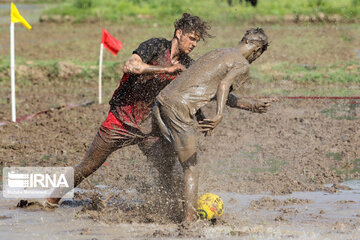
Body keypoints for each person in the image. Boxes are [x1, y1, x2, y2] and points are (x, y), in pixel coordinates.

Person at [153, 28, 271, 222]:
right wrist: (218, 115)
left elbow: (204, 86)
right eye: (259, 55)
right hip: (178, 109)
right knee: (192, 168)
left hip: (162, 102)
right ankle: (188, 221)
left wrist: (251, 105)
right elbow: (223, 86)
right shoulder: (242, 64)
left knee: (169, 160)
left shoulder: (220, 52)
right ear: (257, 50)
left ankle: (164, 206)